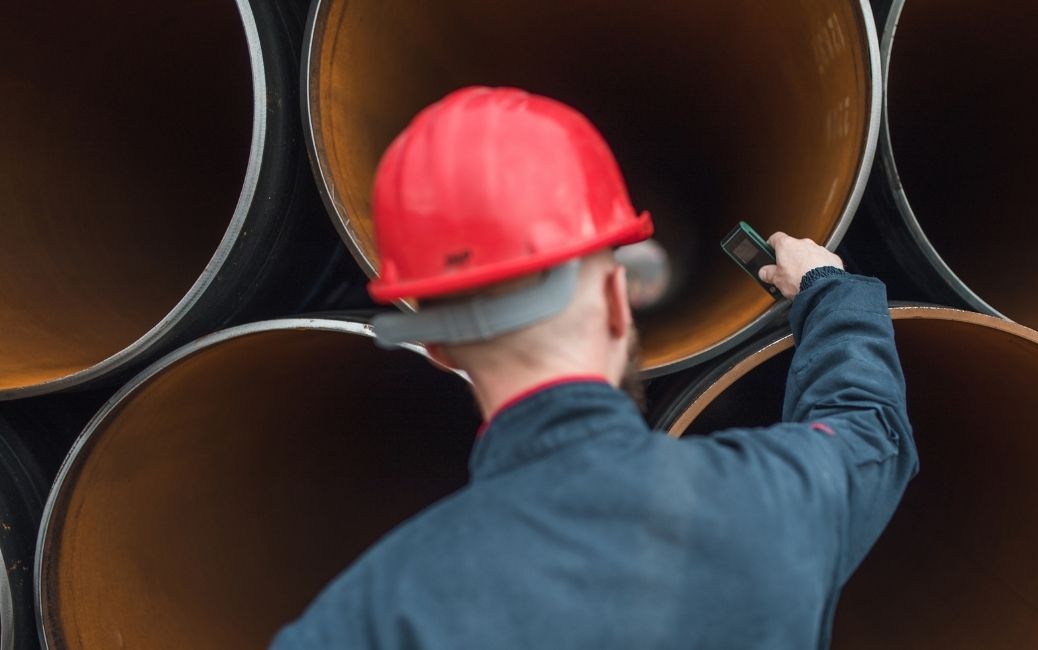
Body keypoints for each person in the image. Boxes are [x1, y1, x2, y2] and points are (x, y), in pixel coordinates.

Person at [272, 86, 917, 649]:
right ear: (616, 302)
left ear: (441, 352)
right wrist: (828, 289)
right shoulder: (775, 503)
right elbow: (870, 431)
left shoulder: (369, 619)